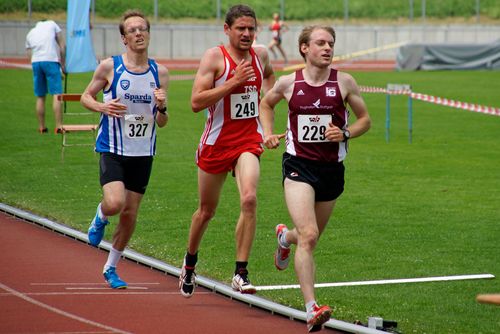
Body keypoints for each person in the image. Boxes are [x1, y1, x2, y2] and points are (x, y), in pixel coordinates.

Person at [259, 25, 371, 332]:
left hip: (332, 171)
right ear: (304, 49)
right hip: (298, 167)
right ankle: (312, 308)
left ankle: (284, 237)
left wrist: (345, 132)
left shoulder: (344, 82)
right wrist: (267, 134)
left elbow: (365, 120)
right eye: (320, 43)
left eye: (331, 43)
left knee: (308, 237)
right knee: (308, 236)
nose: (327, 48)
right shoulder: (288, 83)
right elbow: (266, 104)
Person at [179, 4, 275, 298]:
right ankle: (190, 262)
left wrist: (265, 109)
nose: (246, 34)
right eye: (240, 29)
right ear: (227, 30)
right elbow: (195, 102)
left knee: (249, 198)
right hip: (217, 143)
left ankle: (241, 273)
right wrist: (233, 82)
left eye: (251, 29)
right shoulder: (215, 57)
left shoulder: (261, 56)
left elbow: (269, 78)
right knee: (206, 211)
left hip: (248, 140)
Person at [80, 10, 169, 289]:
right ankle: (101, 215)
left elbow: (162, 122)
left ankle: (111, 268)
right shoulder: (110, 67)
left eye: (143, 29)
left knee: (130, 214)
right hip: (113, 148)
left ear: (149, 34)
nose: (138, 33)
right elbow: (86, 97)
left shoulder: (160, 72)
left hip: (143, 152)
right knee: (115, 203)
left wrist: (163, 107)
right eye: (132, 30)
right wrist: (102, 107)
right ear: (123, 38)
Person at [25, 19, 65, 134]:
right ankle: (58, 126)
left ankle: (42, 127)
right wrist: (62, 66)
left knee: (40, 96)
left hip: (36, 62)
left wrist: (34, 65)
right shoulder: (52, 24)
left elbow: (28, 52)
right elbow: (62, 45)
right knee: (57, 95)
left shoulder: (31, 32)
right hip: (50, 61)